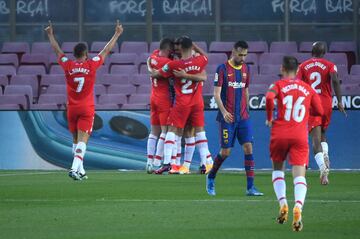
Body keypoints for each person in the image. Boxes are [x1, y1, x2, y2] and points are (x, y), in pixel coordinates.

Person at [45, 20, 123, 180]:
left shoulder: (68, 65)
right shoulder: (91, 65)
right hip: (86, 108)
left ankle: (80, 170)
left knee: (75, 140)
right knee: (83, 141)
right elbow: (106, 50)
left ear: (74, 55)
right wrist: (117, 34)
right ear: (86, 54)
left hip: (72, 108)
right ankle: (74, 169)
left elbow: (57, 50)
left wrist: (50, 35)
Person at [266, 56, 324, 232]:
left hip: (280, 132)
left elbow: (269, 98)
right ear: (298, 70)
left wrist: (269, 118)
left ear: (282, 68)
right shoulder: (307, 88)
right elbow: (320, 111)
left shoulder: (277, 85)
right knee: (299, 175)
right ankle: (298, 206)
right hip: (299, 134)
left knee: (278, 170)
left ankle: (283, 203)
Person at [206, 41, 263, 196]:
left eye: (245, 55)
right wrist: (224, 112)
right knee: (225, 152)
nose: (243, 58)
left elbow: (246, 90)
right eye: (240, 54)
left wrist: (248, 111)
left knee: (248, 147)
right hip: (228, 117)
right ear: (233, 52)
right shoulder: (222, 69)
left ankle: (250, 188)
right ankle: (211, 176)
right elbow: (216, 94)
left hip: (243, 117)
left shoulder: (246, 69)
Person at [151, 36, 212, 174]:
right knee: (199, 132)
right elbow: (205, 59)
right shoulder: (200, 61)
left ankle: (167, 163)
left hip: (181, 103)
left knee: (172, 131)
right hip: (196, 102)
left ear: (181, 47)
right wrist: (194, 45)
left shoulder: (174, 65)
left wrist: (151, 64)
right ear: (191, 47)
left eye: (177, 46)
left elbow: (157, 74)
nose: (175, 48)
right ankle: (205, 163)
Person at [297, 42, 346, 185]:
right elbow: (335, 81)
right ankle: (325, 158)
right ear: (324, 52)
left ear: (311, 51)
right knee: (323, 135)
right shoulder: (330, 65)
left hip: (312, 104)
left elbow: (299, 84)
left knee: (315, 139)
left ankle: (323, 168)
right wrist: (340, 101)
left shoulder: (303, 66)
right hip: (326, 103)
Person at [145, 38, 174, 173]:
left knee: (153, 132)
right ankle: (157, 161)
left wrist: (150, 68)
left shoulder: (153, 57)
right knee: (165, 131)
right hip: (163, 98)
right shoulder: (167, 62)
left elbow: (149, 60)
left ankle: (149, 162)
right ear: (168, 50)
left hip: (153, 97)